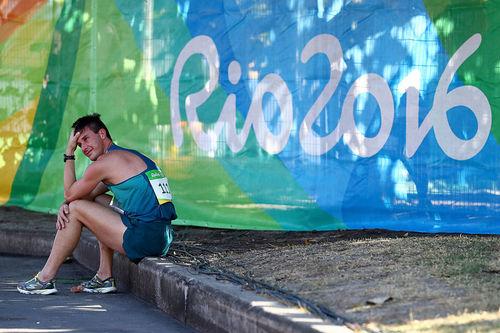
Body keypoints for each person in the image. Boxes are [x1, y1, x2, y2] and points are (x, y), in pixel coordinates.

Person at [17, 113, 177, 295]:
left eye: (86, 139)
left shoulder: (104, 163)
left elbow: (70, 193)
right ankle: (104, 276)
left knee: (75, 209)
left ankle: (45, 279)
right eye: (79, 145)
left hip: (144, 238)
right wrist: (66, 203)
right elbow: (83, 195)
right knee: (87, 202)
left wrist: (69, 153)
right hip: (162, 236)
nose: (83, 147)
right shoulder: (127, 156)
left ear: (102, 134)